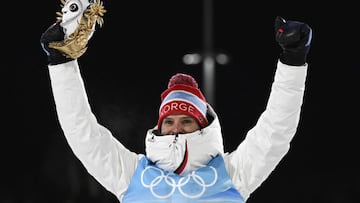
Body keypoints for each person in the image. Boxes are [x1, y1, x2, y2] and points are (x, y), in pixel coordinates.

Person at [40, 0, 312, 202]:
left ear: (203, 127)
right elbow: (82, 133)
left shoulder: (232, 175)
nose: (175, 128)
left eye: (186, 121)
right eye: (169, 121)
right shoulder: (132, 176)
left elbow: (276, 131)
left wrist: (293, 61)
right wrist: (61, 64)